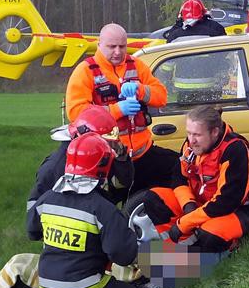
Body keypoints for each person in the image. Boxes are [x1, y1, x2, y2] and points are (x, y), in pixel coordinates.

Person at [27, 133, 157, 288]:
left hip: (47, 287)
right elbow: (124, 256)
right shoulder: (102, 208)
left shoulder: (46, 199)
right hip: (84, 287)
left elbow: (32, 231)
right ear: (103, 168)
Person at [65, 23, 179, 196]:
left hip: (143, 153)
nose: (118, 52)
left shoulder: (137, 66)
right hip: (109, 159)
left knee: (179, 169)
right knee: (107, 206)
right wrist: (117, 110)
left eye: (122, 46)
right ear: (99, 45)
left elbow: (161, 97)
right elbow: (76, 112)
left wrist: (140, 89)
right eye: (112, 47)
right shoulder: (86, 71)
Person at [140, 106, 249, 252]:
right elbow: (178, 178)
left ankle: (224, 248)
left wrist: (184, 223)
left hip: (243, 209)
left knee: (209, 234)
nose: (191, 140)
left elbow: (226, 203)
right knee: (153, 198)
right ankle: (181, 249)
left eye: (197, 135)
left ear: (214, 132)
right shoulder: (192, 145)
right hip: (205, 204)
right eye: (189, 133)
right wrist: (188, 205)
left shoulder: (235, 150)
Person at [28, 106, 134, 212]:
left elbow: (123, 184)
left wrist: (122, 159)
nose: (110, 146)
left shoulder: (101, 154)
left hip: (100, 217)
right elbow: (34, 209)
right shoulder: (55, 166)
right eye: (105, 141)